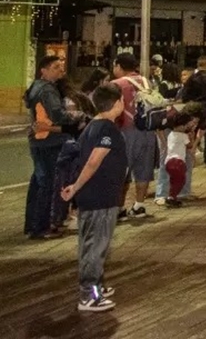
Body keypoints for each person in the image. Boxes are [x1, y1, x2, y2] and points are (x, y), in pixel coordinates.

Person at [62, 82, 126, 313]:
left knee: (95, 243)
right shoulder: (106, 129)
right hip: (99, 197)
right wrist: (76, 187)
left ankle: (97, 285)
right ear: (118, 103)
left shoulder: (93, 125)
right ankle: (89, 294)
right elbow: (93, 162)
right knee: (94, 246)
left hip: (98, 196)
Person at [25, 55, 79, 239]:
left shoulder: (35, 86)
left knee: (38, 183)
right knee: (47, 184)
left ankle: (33, 224)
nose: (60, 71)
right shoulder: (47, 90)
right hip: (49, 140)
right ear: (44, 70)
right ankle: (41, 227)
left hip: (39, 139)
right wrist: (74, 117)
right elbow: (57, 114)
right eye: (56, 67)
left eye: (61, 67)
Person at [111, 53, 158, 219]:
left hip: (126, 131)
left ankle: (118, 207)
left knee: (121, 170)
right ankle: (139, 205)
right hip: (148, 130)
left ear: (119, 66)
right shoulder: (147, 82)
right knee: (144, 169)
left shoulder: (116, 84)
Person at [180, 56, 206, 167]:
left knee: (192, 132)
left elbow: (185, 95)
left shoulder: (192, 78)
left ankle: (191, 158)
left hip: (195, 107)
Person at [163, 107, 201, 207]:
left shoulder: (171, 134)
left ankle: (172, 197)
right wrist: (192, 137)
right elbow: (189, 146)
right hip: (178, 162)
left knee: (173, 180)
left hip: (168, 162)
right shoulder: (183, 136)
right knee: (180, 181)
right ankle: (171, 197)